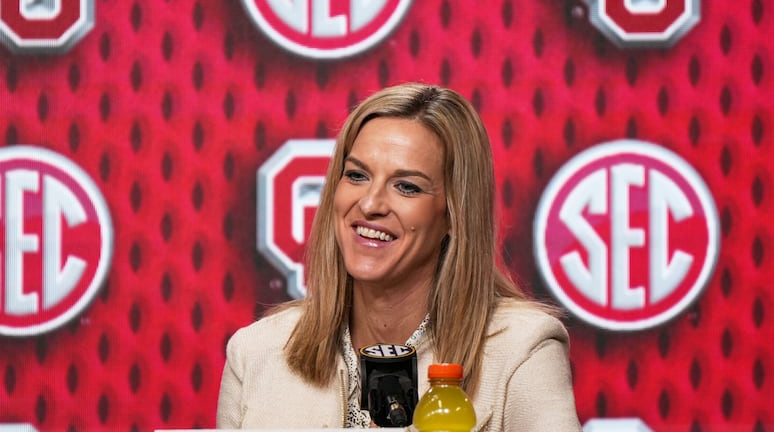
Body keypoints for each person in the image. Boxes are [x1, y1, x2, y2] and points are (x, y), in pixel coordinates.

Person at [216, 83, 581, 430]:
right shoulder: (257, 351)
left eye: (406, 186)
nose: (370, 204)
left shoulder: (521, 349)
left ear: (455, 214)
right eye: (357, 175)